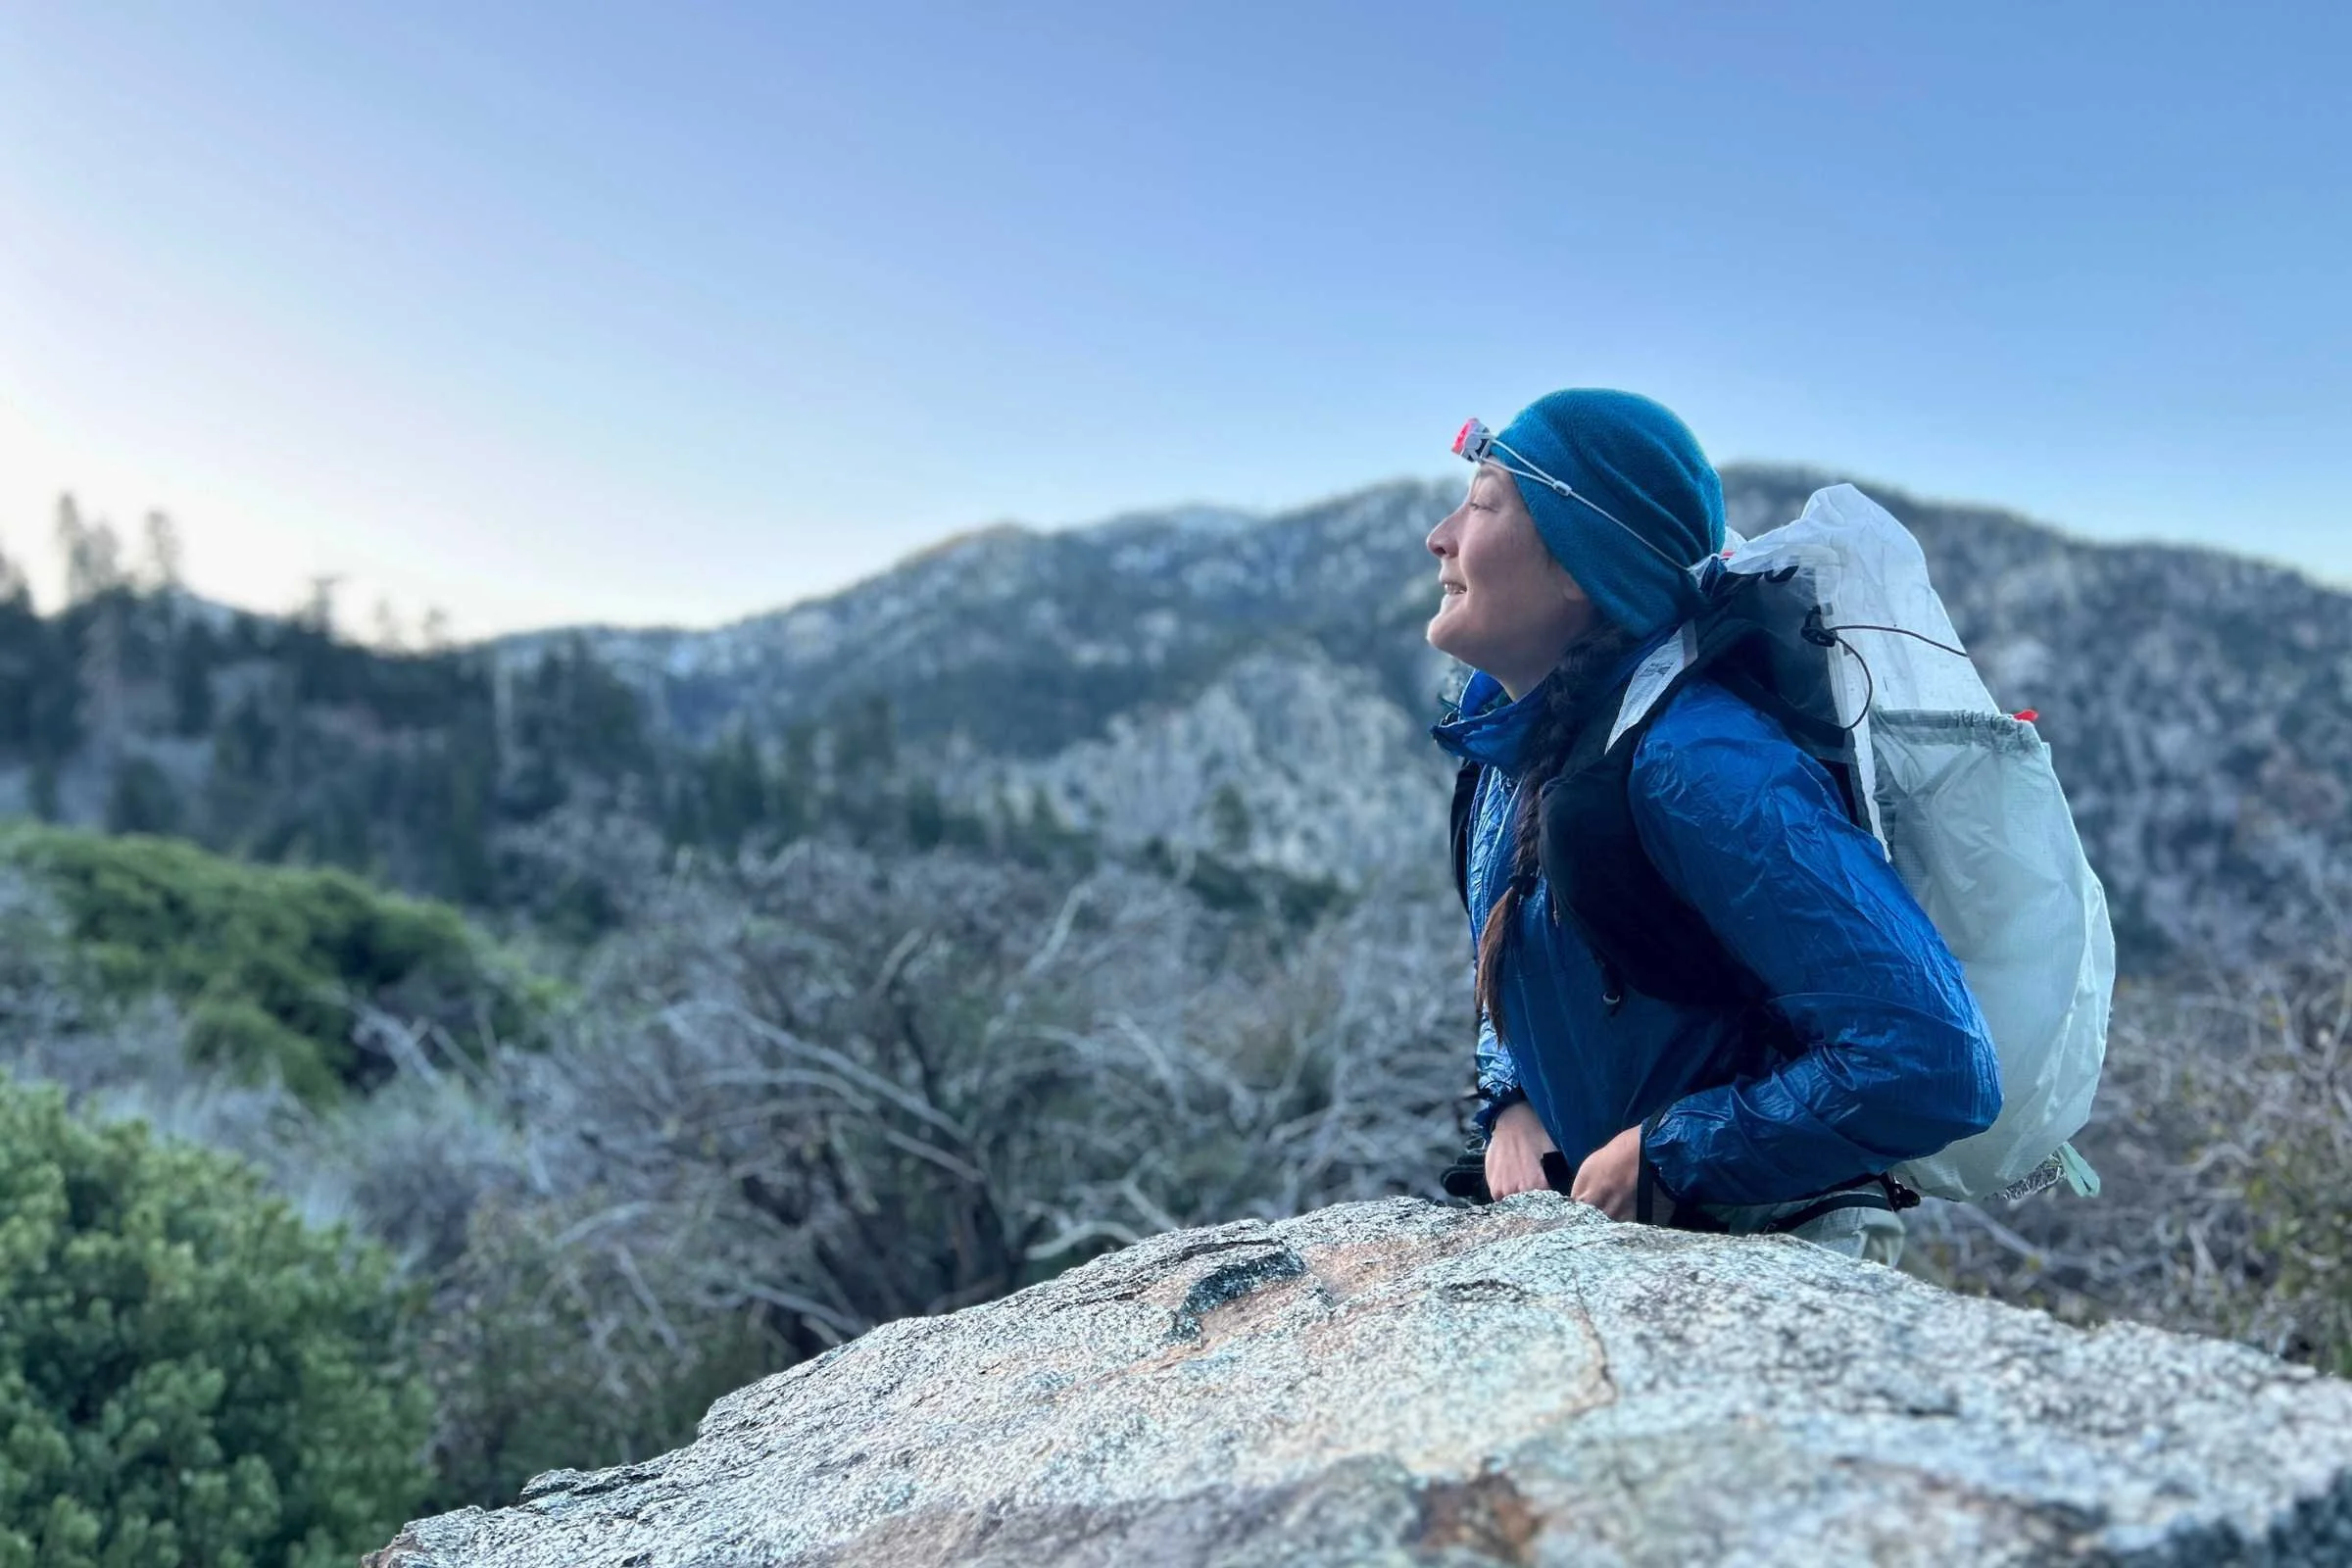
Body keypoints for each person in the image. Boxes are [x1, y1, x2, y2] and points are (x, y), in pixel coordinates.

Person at [1425, 389, 2002, 1264]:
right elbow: (1525, 972)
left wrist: (1668, 1148)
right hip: (1631, 1244)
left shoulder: (1704, 764)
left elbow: (1933, 1062)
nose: (1441, 536)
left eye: (1482, 503)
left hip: (1771, 1254)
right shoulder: (1510, 746)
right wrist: (1513, 1098)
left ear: (1584, 563)